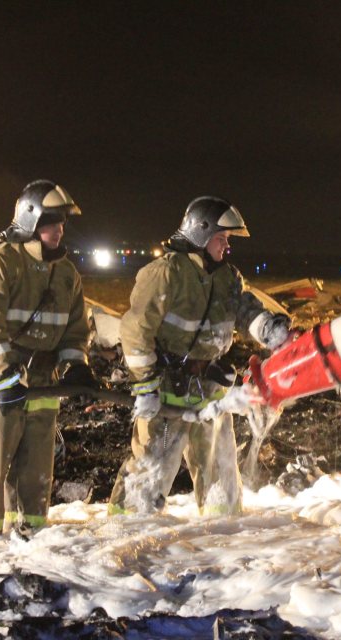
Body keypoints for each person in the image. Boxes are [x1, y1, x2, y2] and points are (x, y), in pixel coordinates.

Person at [109, 196, 291, 516]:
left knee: (219, 466)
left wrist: (270, 330)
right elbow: (135, 332)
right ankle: (125, 532)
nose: (227, 246)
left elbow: (245, 308)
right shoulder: (165, 273)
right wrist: (145, 387)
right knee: (153, 466)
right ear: (201, 233)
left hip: (210, 387)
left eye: (228, 240)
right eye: (222, 239)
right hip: (167, 386)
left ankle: (222, 532)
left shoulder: (227, 276)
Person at [0, 179, 96, 537]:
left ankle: (32, 534)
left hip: (44, 381)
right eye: (51, 222)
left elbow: (76, 328)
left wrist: (77, 365)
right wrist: (4, 375)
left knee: (36, 468)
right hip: (3, 381)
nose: (60, 230)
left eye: (62, 222)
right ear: (30, 221)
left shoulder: (65, 274)